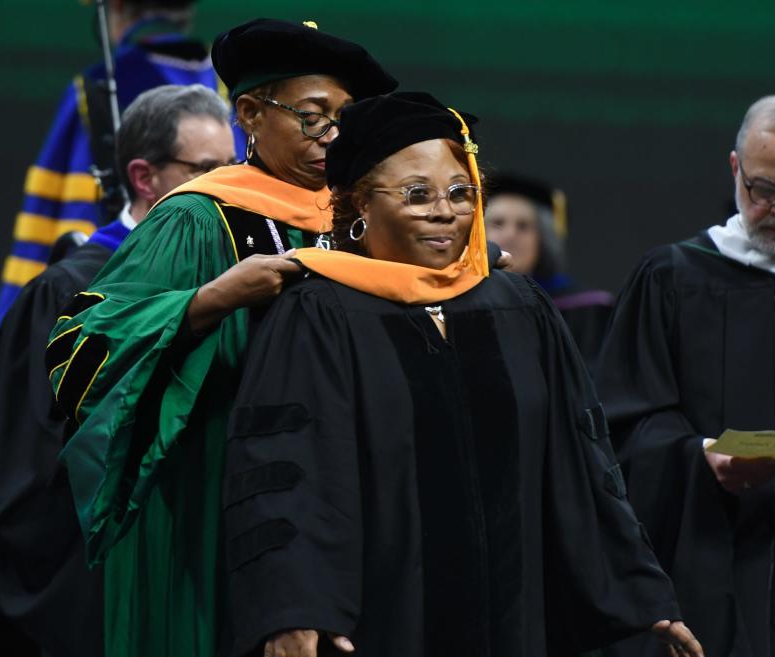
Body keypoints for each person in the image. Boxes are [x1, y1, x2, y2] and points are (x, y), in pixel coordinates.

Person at [223, 92, 703, 657]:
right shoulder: (319, 314)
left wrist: (643, 594)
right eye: (417, 195)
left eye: (460, 192)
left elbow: (581, 463)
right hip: (377, 619)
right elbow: (288, 475)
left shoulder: (519, 307)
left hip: (510, 619)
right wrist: (294, 607)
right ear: (358, 205)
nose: (444, 212)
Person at [45, 19, 396, 657]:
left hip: (340, 497)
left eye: (346, 118)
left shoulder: (359, 219)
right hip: (211, 493)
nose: (332, 137)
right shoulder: (197, 217)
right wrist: (210, 300)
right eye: (313, 116)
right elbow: (82, 348)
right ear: (250, 113)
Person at [0, 83, 234, 657]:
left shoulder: (243, 274)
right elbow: (34, 466)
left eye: (233, 167)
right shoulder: (74, 289)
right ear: (144, 178)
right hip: (111, 578)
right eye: (207, 170)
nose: (227, 188)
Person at [595, 94, 775, 657]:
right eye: (764, 188)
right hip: (705, 562)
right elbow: (617, 428)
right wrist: (698, 457)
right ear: (735, 169)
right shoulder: (672, 277)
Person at [0, 0, 233, 355]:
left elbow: (68, 209)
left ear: (116, 11)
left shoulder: (97, 85)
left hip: (111, 291)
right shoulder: (228, 85)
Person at [485, 174, 613, 371]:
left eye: (524, 226)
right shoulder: (457, 304)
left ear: (543, 240)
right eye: (498, 223)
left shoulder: (585, 309)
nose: (510, 234)